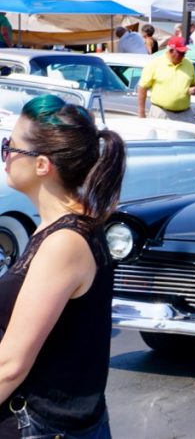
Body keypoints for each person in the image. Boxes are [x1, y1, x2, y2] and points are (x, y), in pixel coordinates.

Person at [0, 94, 126, 437]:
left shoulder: (65, 242)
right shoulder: (66, 225)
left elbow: (10, 366)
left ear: (42, 165)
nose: (6, 155)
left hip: (40, 427)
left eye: (10, 146)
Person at [137, 36, 195, 123]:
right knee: (161, 136)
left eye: (184, 52)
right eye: (180, 52)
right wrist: (141, 113)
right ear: (170, 50)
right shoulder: (155, 64)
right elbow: (142, 87)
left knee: (191, 136)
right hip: (161, 112)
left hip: (185, 113)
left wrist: (194, 89)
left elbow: (194, 84)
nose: (183, 55)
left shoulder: (189, 64)